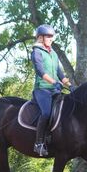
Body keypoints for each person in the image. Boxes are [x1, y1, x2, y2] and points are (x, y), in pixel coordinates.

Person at [31, 24, 75, 156]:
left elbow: (59, 72)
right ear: (40, 37)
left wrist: (70, 85)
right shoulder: (36, 52)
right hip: (42, 89)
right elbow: (40, 71)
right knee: (46, 113)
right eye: (48, 36)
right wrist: (53, 82)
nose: (51, 38)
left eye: (52, 36)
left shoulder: (53, 53)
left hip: (54, 90)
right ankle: (38, 144)